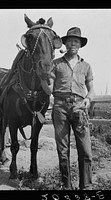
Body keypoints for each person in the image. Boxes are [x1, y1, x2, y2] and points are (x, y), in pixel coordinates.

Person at [47, 27, 95, 190]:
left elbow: (92, 90)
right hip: (60, 108)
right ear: (65, 44)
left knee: (86, 151)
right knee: (63, 150)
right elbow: (49, 87)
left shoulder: (86, 66)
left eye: (76, 41)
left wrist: (88, 99)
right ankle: (66, 186)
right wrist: (44, 81)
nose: (72, 44)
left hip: (80, 108)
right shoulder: (55, 64)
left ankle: (85, 187)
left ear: (80, 44)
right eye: (69, 41)